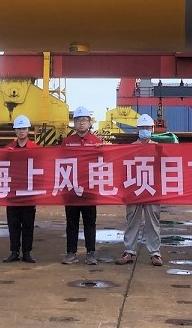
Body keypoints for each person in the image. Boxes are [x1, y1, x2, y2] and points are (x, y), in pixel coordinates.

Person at [116, 114, 164, 267]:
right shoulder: (130, 148)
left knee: (153, 222)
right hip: (134, 190)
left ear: (152, 129)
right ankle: (129, 251)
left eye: (147, 128)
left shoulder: (158, 148)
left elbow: (166, 167)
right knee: (132, 221)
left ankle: (155, 253)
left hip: (152, 190)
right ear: (137, 129)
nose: (145, 130)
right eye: (142, 128)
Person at [61, 106, 103, 265]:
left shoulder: (96, 142)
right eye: (78, 120)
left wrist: (101, 151)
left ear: (89, 123)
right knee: (71, 222)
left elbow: (104, 163)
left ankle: (90, 253)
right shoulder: (67, 142)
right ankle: (71, 253)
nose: (81, 123)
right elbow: (59, 162)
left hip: (89, 189)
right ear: (74, 123)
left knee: (89, 222)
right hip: (71, 189)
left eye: (84, 120)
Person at [3, 114, 38, 263]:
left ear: (28, 130)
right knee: (13, 223)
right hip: (12, 192)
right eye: (18, 129)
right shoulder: (8, 149)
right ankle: (14, 251)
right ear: (15, 131)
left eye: (24, 128)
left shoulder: (35, 149)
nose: (21, 131)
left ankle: (27, 252)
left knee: (28, 224)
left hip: (29, 192)